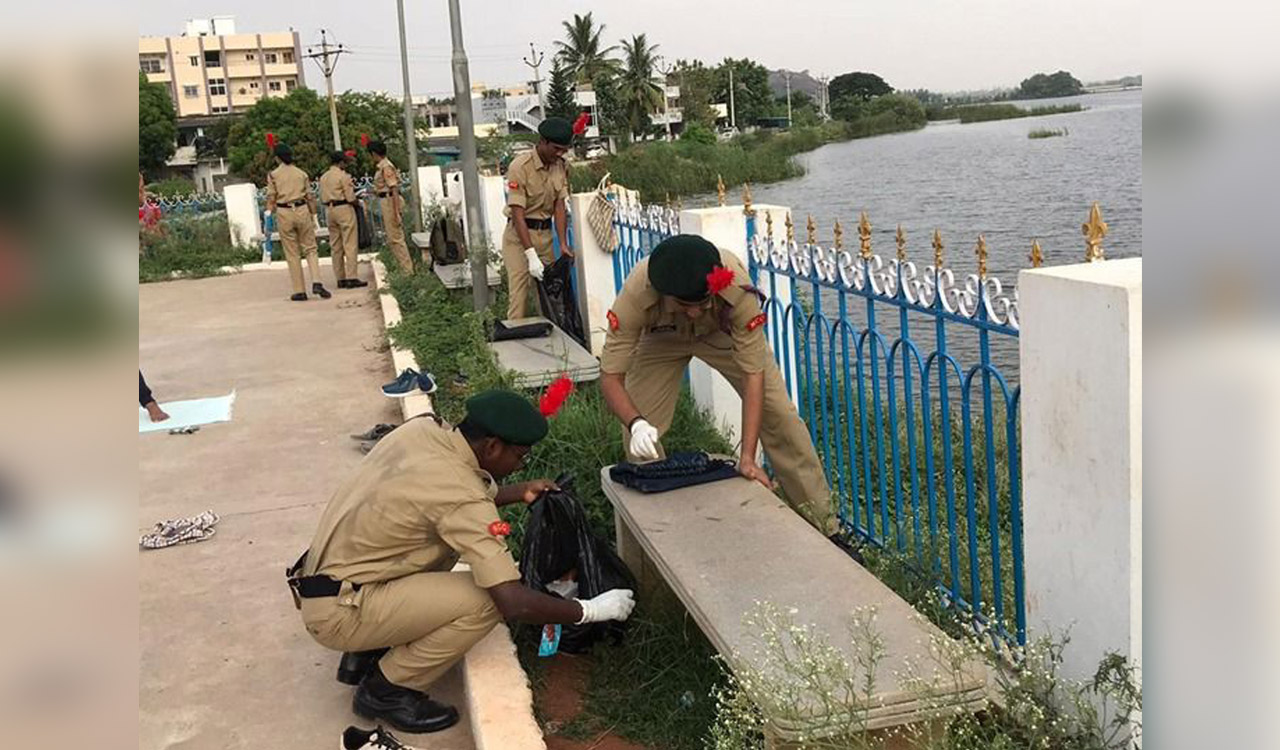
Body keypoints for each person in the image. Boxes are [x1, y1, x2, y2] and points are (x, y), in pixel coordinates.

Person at [291, 389, 635, 734]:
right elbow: (513, 602)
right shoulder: (461, 495)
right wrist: (591, 609)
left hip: (331, 580)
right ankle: (387, 690)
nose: (520, 465)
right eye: (521, 457)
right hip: (339, 612)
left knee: (435, 544)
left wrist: (519, 490)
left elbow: (447, 493)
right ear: (492, 447)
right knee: (487, 600)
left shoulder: (423, 433)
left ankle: (365, 653)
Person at [598, 234, 843, 544]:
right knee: (640, 437)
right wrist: (636, 424)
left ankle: (826, 528)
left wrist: (748, 458)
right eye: (685, 304)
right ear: (663, 293)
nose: (694, 312)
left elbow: (753, 374)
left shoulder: (736, 287)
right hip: (661, 336)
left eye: (701, 303)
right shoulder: (636, 293)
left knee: (780, 416)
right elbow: (610, 376)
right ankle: (662, 533)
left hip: (721, 332)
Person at [501, 117, 574, 321]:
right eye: (556, 148)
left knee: (550, 296)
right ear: (543, 142)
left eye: (564, 150)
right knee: (519, 295)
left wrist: (563, 243)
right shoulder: (520, 167)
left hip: (545, 237)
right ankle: (514, 346)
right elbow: (517, 214)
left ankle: (553, 345)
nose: (560, 154)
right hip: (518, 237)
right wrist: (530, 254)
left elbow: (559, 205)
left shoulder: (561, 166)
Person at [266, 144, 331, 301]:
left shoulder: (273, 175)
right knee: (310, 248)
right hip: (302, 210)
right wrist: (314, 215)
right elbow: (310, 197)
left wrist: (268, 215)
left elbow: (271, 198)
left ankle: (299, 290)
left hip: (284, 211)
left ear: (277, 158)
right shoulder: (301, 173)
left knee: (292, 252)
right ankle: (316, 281)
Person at [320, 150, 367, 290]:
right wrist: (358, 203)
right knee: (350, 243)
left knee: (336, 246)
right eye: (344, 162)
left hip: (329, 209)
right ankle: (352, 277)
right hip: (344, 209)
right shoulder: (343, 176)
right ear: (340, 162)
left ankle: (340, 278)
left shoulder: (324, 177)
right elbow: (350, 197)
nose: (345, 164)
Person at [368, 140, 413, 273]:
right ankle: (403, 268)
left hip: (390, 201)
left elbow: (393, 188)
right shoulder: (381, 166)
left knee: (396, 238)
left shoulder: (386, 167)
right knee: (393, 237)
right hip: (385, 199)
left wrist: (396, 212)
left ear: (374, 153)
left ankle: (407, 271)